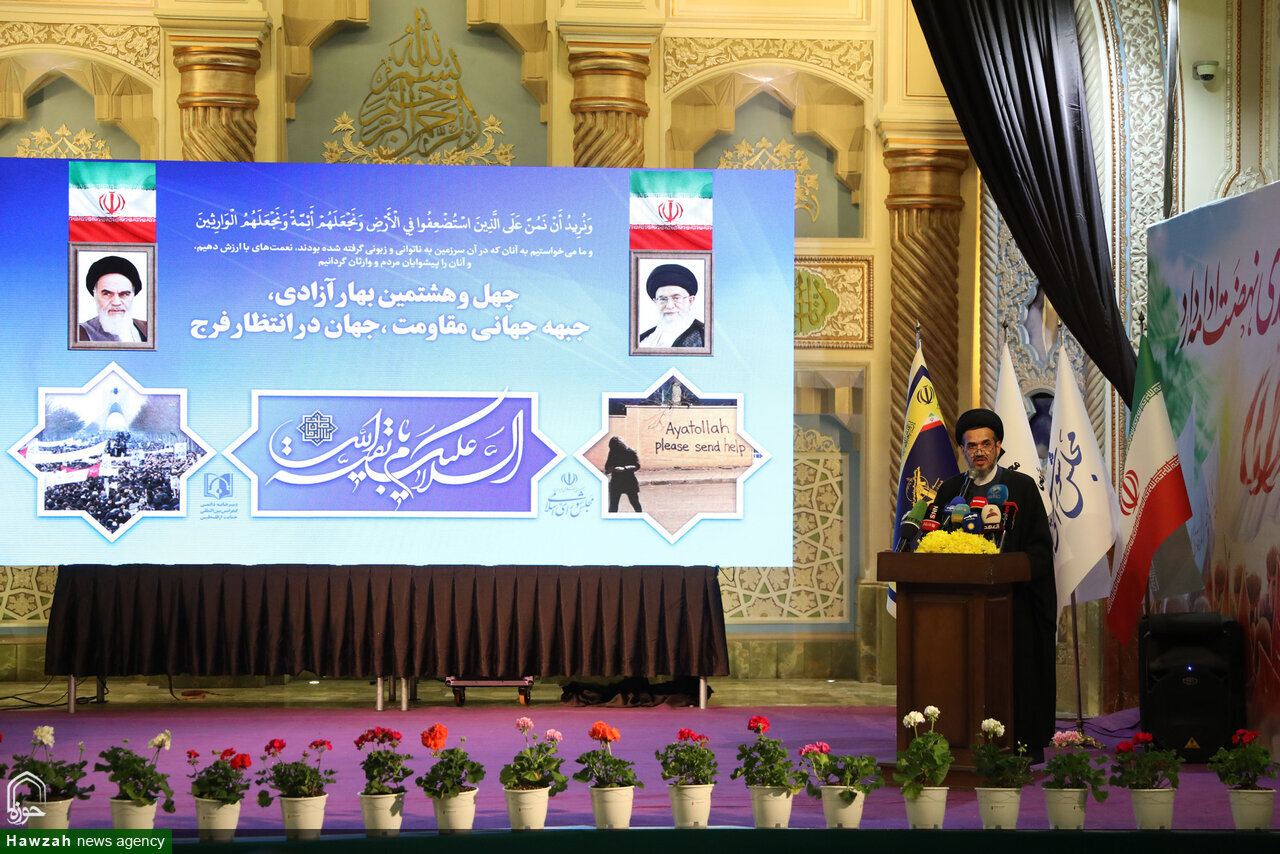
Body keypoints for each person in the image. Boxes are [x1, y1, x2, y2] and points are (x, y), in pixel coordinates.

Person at [927, 407, 1056, 762]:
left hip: (1012, 608)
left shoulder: (1021, 488)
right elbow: (934, 542)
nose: (979, 452)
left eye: (986, 444)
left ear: (998, 447)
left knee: (1013, 678)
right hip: (960, 611)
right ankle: (959, 744)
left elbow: (1040, 552)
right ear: (963, 450)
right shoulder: (952, 491)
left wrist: (1006, 569)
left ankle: (1020, 746)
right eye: (971, 446)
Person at [78, 255, 148, 343]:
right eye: (107, 294)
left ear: (133, 294)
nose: (116, 302)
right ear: (95, 294)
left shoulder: (148, 328)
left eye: (124, 294)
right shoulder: (78, 334)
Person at [638, 262, 705, 348]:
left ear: (690, 300)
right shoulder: (643, 338)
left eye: (676, 298)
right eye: (663, 299)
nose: (669, 306)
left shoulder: (704, 336)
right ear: (655, 301)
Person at [603, 436, 642, 512]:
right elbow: (607, 466)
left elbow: (637, 466)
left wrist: (624, 468)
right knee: (613, 506)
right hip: (616, 481)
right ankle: (611, 519)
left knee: (635, 503)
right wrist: (610, 469)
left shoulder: (631, 452)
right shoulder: (612, 452)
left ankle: (641, 516)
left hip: (629, 481)